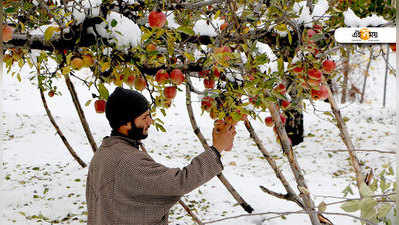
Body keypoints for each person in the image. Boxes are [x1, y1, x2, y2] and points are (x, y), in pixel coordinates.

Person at [86, 87, 236, 225]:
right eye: (144, 118)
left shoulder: (104, 152)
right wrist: (217, 148)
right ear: (125, 123)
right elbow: (179, 182)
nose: (150, 121)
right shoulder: (128, 160)